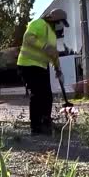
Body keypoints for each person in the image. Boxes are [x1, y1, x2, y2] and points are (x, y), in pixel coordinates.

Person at [17, 8, 69, 136]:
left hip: (41, 66)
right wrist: (44, 46)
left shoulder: (52, 34)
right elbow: (28, 38)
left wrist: (58, 70)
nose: (60, 26)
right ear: (54, 19)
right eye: (60, 22)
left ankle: (46, 122)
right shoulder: (38, 23)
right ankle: (35, 127)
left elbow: (54, 54)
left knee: (47, 96)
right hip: (27, 65)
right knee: (37, 94)